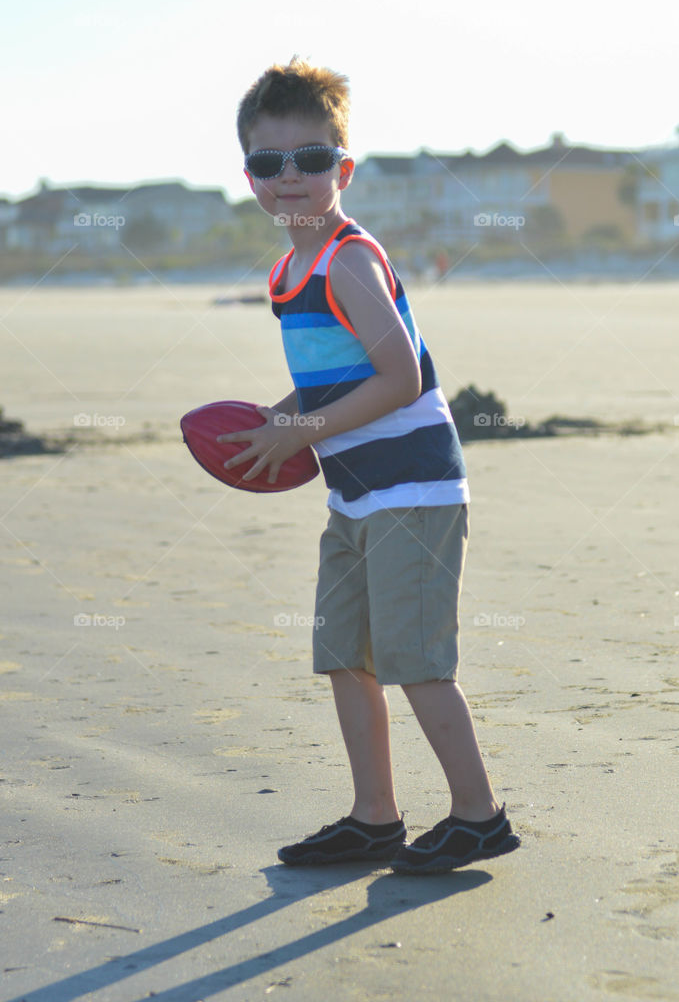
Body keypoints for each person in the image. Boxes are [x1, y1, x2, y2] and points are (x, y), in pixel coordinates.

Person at [218, 57, 520, 875]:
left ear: (342, 169)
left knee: (417, 659)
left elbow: (402, 377)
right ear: (248, 175)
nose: (291, 177)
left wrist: (302, 430)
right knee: (346, 654)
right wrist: (273, 424)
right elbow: (335, 376)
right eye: (269, 162)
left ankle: (478, 815)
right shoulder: (289, 271)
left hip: (414, 489)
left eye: (312, 160)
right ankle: (375, 817)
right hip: (356, 495)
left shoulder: (348, 259)